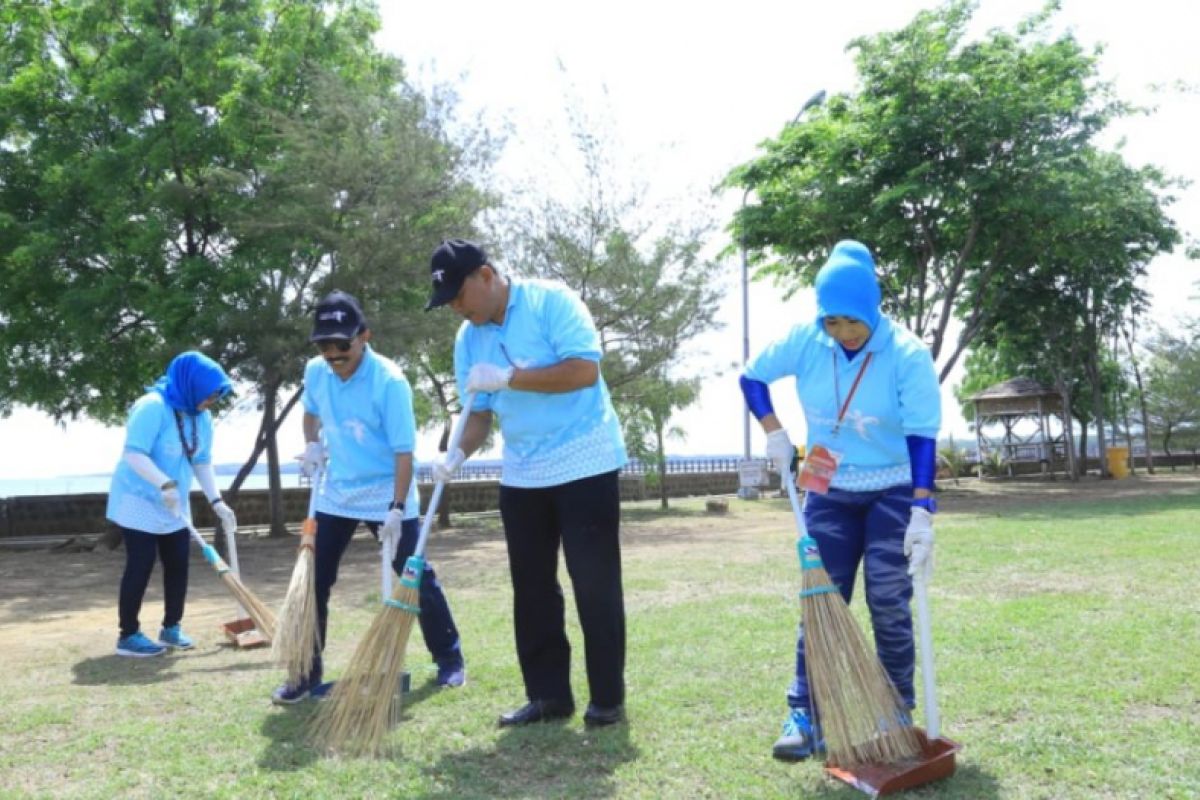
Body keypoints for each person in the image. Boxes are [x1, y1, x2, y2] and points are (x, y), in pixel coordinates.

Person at [738, 240, 941, 761]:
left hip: (893, 485)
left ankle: (894, 711)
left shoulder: (907, 354)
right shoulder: (807, 341)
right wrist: (774, 430)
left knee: (888, 600)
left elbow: (921, 435)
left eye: (852, 321)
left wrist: (922, 509)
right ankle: (807, 714)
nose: (843, 333)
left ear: (873, 309)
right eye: (832, 321)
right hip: (829, 489)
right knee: (820, 600)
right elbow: (752, 375)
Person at [425, 238, 629, 728]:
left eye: (458, 295)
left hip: (585, 458)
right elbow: (477, 411)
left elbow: (584, 371)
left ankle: (607, 698)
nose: (455, 307)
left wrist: (512, 377)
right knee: (532, 586)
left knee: (594, 583)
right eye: (447, 301)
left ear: (487, 276)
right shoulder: (467, 338)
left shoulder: (550, 301)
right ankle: (547, 696)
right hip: (523, 470)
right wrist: (455, 453)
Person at [271, 290, 466, 703]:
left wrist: (396, 509)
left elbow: (403, 452)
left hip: (387, 489)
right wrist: (311, 444)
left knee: (413, 573)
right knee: (313, 581)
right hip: (337, 491)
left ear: (364, 336)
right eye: (325, 345)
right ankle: (306, 673)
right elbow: (310, 413)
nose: (333, 354)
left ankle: (449, 659)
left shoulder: (389, 381)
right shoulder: (316, 372)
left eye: (342, 344)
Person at [107, 351, 236, 657]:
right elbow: (134, 454)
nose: (211, 402)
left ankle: (171, 628)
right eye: (209, 395)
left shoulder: (201, 417)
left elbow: (202, 462)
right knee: (141, 563)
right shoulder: (152, 407)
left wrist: (217, 501)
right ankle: (128, 635)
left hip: (174, 503)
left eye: (216, 397)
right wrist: (163, 482)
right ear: (192, 385)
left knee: (178, 564)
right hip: (138, 498)